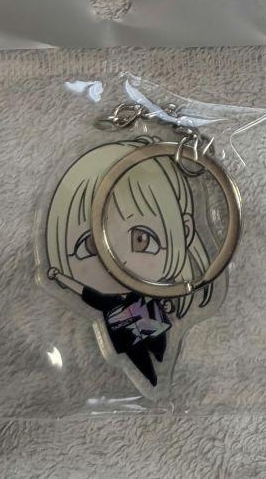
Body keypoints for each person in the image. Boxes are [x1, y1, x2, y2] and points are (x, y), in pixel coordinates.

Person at [44, 137, 212, 388]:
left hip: (145, 324)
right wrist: (59, 276)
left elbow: (85, 292)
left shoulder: (134, 299)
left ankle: (158, 377)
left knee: (159, 355)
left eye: (141, 239)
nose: (118, 262)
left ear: (185, 232)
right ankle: (154, 379)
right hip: (125, 332)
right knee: (144, 363)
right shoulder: (108, 302)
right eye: (91, 246)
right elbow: (84, 291)